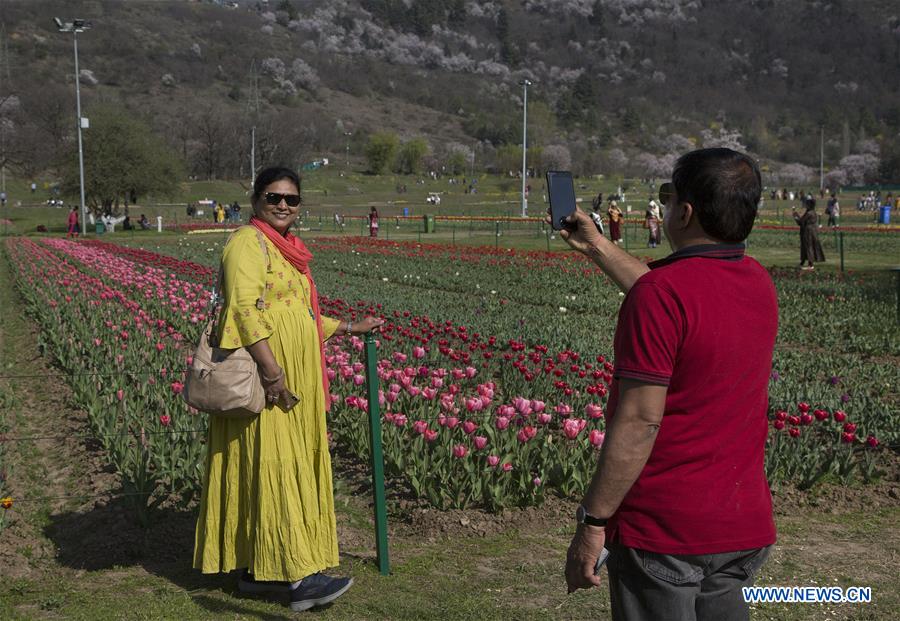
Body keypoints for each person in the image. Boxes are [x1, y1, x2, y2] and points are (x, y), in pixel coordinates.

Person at [556, 148, 776, 621]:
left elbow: (639, 421)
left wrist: (593, 522)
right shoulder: (757, 281)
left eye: (670, 197)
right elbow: (677, 294)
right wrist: (598, 246)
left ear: (684, 211)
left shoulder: (661, 297)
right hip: (740, 524)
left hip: (666, 532)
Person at [193, 166, 384, 613]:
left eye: (291, 199)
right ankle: (300, 578)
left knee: (268, 462)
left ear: (300, 206)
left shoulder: (289, 249)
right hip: (269, 375)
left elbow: (294, 312)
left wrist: (350, 326)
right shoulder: (247, 243)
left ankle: (257, 571)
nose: (282, 205)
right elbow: (244, 310)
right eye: (273, 196)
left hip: (291, 371)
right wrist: (272, 372)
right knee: (278, 465)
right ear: (256, 199)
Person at [793, 198, 825, 270]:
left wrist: (795, 216)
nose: (805, 205)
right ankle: (802, 262)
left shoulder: (809, 213)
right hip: (812, 231)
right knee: (806, 247)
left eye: (807, 204)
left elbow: (801, 222)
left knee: (808, 247)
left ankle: (810, 265)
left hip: (808, 232)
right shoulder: (812, 212)